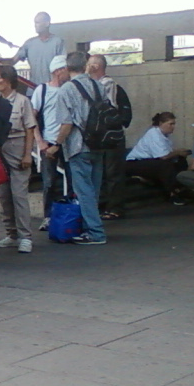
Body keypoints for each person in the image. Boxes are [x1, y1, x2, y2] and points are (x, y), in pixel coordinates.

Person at [45, 51, 107, 245]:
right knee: (94, 190)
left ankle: (95, 232)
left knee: (84, 191)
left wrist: (56, 145)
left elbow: (66, 124)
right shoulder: (99, 85)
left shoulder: (66, 90)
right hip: (100, 144)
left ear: (67, 67)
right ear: (85, 65)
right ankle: (91, 226)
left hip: (78, 146)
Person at [0, 66, 37, 253]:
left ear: (8, 80)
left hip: (17, 146)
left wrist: (27, 154)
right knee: (3, 195)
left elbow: (30, 128)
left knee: (19, 194)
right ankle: (11, 233)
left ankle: (25, 236)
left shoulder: (22, 101)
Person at [30, 55, 71, 231]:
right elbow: (31, 116)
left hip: (68, 142)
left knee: (72, 180)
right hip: (48, 141)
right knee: (49, 182)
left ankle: (71, 214)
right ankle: (48, 216)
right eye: (66, 70)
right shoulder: (42, 90)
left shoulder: (70, 89)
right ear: (58, 71)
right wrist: (39, 141)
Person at [89, 54, 132, 220]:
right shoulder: (107, 85)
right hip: (108, 136)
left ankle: (115, 207)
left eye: (90, 64)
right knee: (107, 172)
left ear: (96, 66)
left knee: (112, 172)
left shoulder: (107, 84)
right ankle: (108, 205)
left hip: (109, 137)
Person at [125, 112, 190, 201]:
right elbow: (163, 156)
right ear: (161, 124)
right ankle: (171, 193)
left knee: (180, 160)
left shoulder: (165, 136)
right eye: (170, 124)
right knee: (164, 165)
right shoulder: (154, 133)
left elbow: (168, 154)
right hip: (134, 163)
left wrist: (179, 154)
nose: (173, 127)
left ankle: (181, 188)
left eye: (174, 124)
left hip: (149, 161)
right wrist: (177, 152)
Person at [13, 12, 66, 86]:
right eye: (35, 22)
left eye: (37, 22)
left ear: (47, 23)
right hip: (33, 89)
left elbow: (63, 66)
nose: (35, 25)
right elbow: (13, 60)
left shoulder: (58, 42)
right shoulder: (29, 43)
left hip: (52, 89)